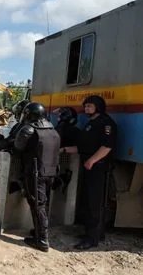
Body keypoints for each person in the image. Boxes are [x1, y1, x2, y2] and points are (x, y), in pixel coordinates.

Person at [62, 95, 117, 250]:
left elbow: (106, 147)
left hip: (98, 167)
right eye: (85, 106)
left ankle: (92, 239)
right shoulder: (91, 123)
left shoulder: (106, 124)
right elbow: (83, 147)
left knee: (95, 203)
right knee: (88, 201)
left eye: (89, 106)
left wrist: (92, 160)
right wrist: (65, 149)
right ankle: (94, 233)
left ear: (98, 107)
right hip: (89, 167)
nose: (86, 109)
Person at [13, 102, 61, 252]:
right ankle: (39, 232)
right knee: (42, 204)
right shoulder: (53, 130)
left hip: (35, 173)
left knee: (37, 205)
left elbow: (18, 146)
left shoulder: (29, 129)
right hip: (50, 172)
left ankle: (42, 241)